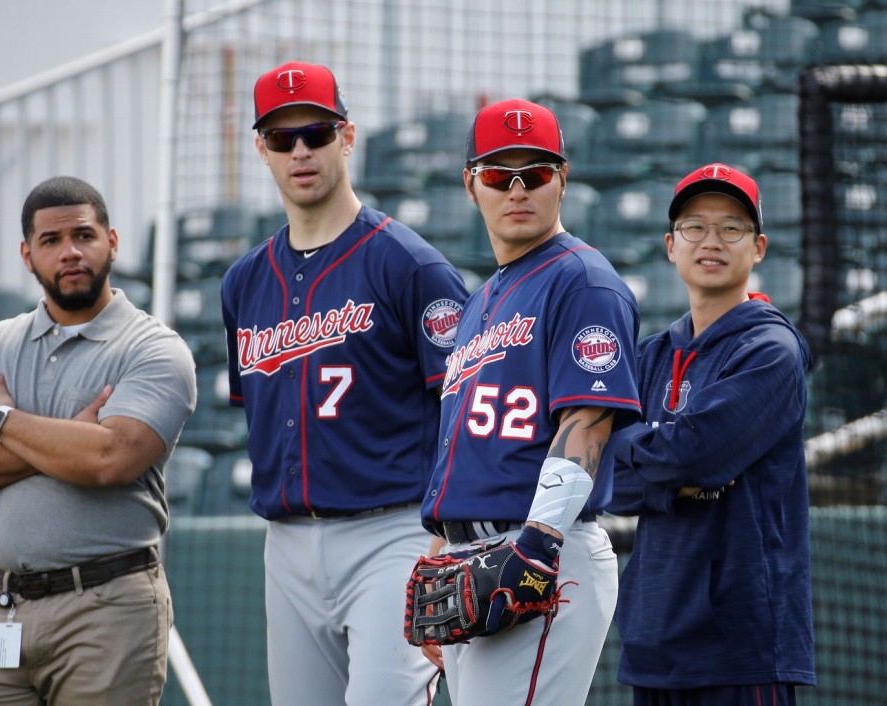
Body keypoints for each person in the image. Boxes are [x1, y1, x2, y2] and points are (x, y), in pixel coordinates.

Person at [221, 61, 469, 706]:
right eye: (281, 138)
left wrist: (444, 543)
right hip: (287, 544)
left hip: (394, 536)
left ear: (348, 137)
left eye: (317, 132)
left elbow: (463, 411)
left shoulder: (412, 266)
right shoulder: (242, 283)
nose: (300, 150)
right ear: (262, 150)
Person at [0, 175, 197, 706]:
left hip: (108, 606)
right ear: (28, 256)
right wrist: (70, 435)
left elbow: (108, 458)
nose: (70, 252)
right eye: (51, 241)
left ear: (112, 242)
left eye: (84, 235)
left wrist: (4, 420)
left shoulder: (155, 348)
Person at [418, 98, 643, 705]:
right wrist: (443, 548)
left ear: (562, 180)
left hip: (541, 556)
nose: (517, 189)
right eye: (498, 175)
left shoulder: (584, 281)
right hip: (476, 558)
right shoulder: (481, 299)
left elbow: (588, 423)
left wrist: (538, 545)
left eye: (536, 173)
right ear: (471, 186)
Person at [605, 163, 816, 706]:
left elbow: (695, 458)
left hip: (740, 644)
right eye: (695, 227)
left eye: (732, 228)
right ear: (671, 245)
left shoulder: (770, 351)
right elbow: (606, 480)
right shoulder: (650, 354)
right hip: (653, 637)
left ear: (759, 247)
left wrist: (641, 454)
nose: (712, 241)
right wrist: (663, 476)